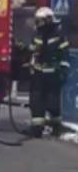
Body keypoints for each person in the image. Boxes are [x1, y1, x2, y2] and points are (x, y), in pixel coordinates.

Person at [25, 7, 70, 138]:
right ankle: (36, 128)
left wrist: (63, 71)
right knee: (36, 101)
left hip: (53, 74)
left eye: (40, 21)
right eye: (37, 21)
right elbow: (33, 50)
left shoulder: (59, 36)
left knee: (53, 102)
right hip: (39, 73)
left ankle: (56, 127)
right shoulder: (38, 34)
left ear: (49, 20)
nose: (38, 24)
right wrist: (25, 50)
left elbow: (64, 55)